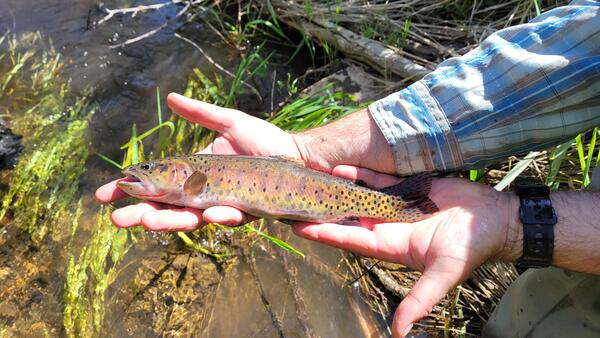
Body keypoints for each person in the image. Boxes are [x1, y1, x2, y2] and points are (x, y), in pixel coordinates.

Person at [96, 1, 600, 337]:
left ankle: (400, 206)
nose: (139, 174)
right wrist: (513, 222)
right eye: (144, 170)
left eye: (149, 168)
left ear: (182, 175)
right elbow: (562, 58)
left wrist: (510, 224)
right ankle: (404, 206)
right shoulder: (193, 180)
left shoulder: (196, 178)